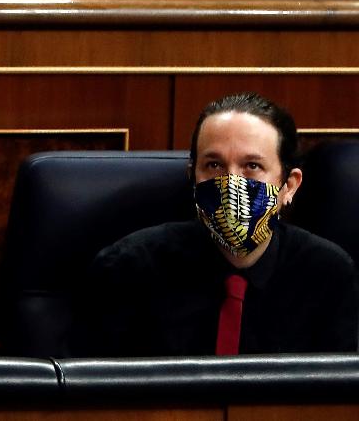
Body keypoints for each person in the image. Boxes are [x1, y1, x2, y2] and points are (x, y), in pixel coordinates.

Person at [73, 92, 359, 356]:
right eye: (214, 165)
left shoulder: (329, 275)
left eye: (252, 166)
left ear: (289, 185)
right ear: (193, 177)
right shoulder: (127, 268)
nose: (231, 184)